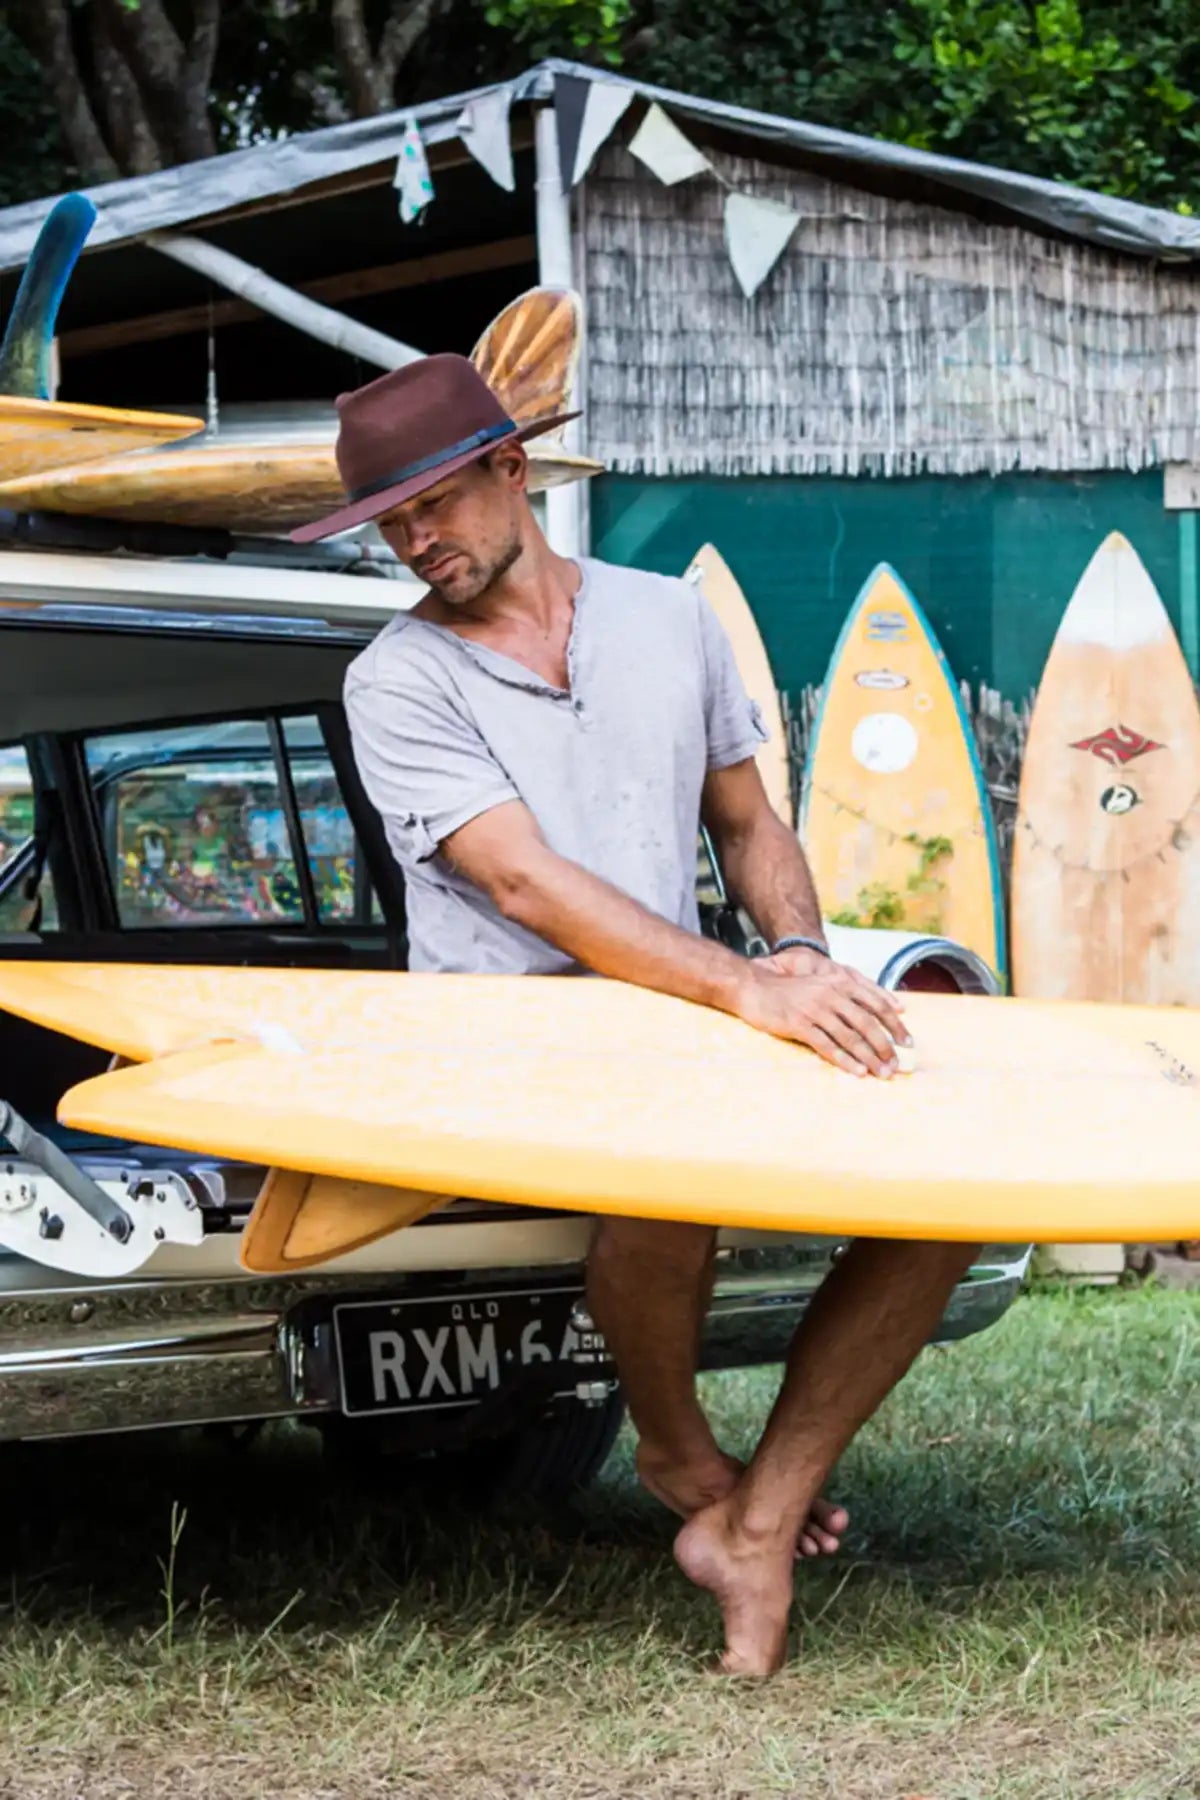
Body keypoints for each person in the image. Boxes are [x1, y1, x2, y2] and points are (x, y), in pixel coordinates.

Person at [294, 355, 979, 1676]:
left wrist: (797, 955)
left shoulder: (670, 617)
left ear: (512, 470)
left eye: (432, 505)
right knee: (672, 1166)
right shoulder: (396, 681)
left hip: (684, 1016)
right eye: (389, 525)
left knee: (951, 1185)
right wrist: (744, 988)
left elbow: (747, 821)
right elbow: (520, 882)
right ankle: (675, 1452)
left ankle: (759, 1520)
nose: (415, 541)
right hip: (506, 1041)